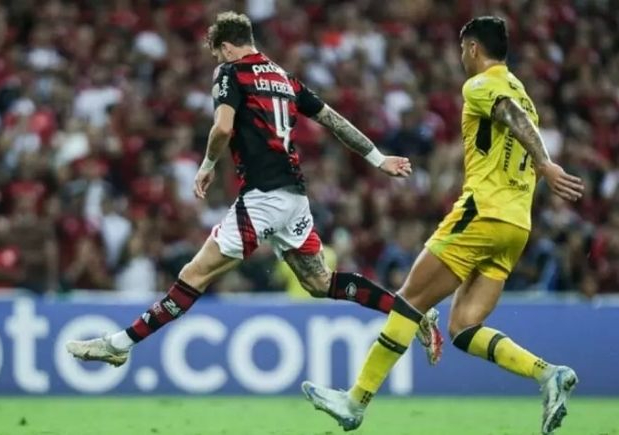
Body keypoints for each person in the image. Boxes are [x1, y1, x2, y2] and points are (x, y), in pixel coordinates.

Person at [66, 11, 442, 367]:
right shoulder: (284, 77)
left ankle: (119, 345)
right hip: (294, 196)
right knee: (320, 282)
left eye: (218, 53)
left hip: (263, 197)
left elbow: (222, 127)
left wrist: (207, 165)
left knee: (194, 275)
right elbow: (333, 120)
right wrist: (378, 158)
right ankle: (413, 313)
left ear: (227, 47)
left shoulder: (231, 72)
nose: (218, 60)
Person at [301, 17, 585, 435]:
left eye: (462, 49)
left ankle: (355, 401)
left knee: (409, 301)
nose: (460, 57)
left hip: (482, 212)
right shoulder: (526, 96)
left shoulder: (481, 85)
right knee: (463, 327)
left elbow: (507, 115)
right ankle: (548, 374)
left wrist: (545, 163)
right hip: (516, 226)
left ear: (472, 48)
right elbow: (516, 122)